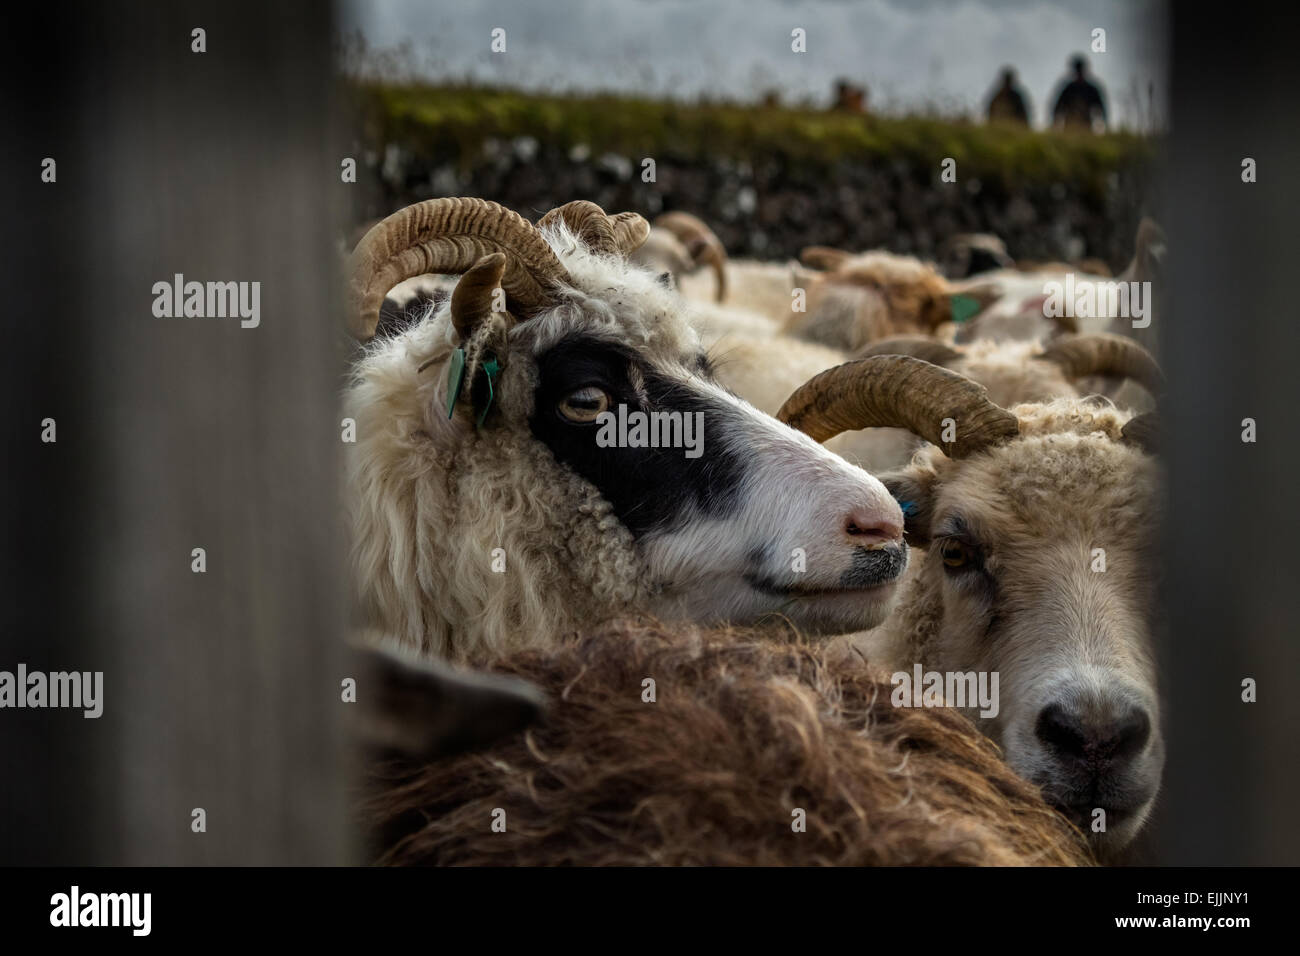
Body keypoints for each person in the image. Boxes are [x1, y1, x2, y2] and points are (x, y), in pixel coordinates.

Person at [1052, 54, 1107, 131]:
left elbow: (1102, 110)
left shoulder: (1091, 89)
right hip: (1070, 128)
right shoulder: (1068, 89)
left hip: (1086, 128)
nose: (1079, 74)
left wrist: (1104, 126)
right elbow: (1057, 109)